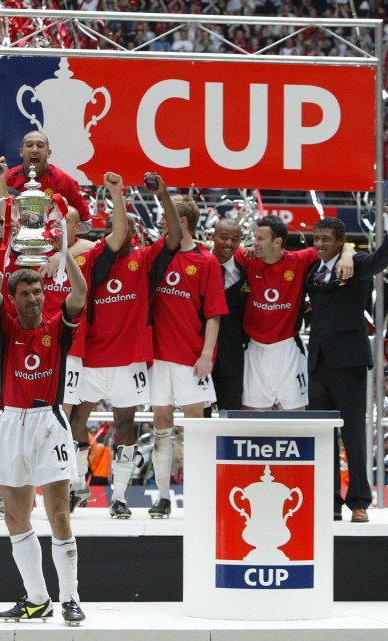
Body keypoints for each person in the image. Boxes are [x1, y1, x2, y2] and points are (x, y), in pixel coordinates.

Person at [0, 243, 88, 625]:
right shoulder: (5, 327)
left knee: (59, 514)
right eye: (25, 293)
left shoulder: (58, 327)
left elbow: (80, 293)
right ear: (13, 299)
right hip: (12, 422)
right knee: (15, 517)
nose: (33, 297)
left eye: (38, 291)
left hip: (49, 422)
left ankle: (71, 598)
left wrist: (64, 252)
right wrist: (5, 242)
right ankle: (37, 598)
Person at [68, 171, 181, 519]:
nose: (121, 233)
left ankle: (118, 496)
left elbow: (175, 237)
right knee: (76, 421)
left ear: (134, 232)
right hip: (89, 359)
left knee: (126, 427)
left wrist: (163, 196)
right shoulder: (93, 259)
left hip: (128, 362)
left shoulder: (145, 260)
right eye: (116, 228)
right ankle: (77, 484)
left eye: (126, 228)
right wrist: (117, 196)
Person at [305, 199, 388, 523]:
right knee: (322, 436)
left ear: (340, 242)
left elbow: (384, 258)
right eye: (316, 238)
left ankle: (359, 501)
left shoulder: (357, 263)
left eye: (325, 239)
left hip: (348, 361)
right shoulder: (312, 271)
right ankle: (329, 501)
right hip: (318, 362)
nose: (319, 244)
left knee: (352, 435)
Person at [148, 195, 226, 518]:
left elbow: (214, 314)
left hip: (191, 358)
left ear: (182, 222)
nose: (162, 223)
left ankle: (198, 494)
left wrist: (207, 354)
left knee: (195, 427)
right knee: (161, 425)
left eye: (167, 218)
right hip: (157, 357)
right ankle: (164, 496)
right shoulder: (156, 255)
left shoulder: (206, 262)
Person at [236, 215, 353, 410]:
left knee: (296, 415)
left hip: (288, 348)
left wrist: (348, 254)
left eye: (260, 238)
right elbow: (214, 249)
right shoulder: (247, 259)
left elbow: (336, 246)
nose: (254, 243)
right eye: (254, 237)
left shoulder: (299, 260)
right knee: (255, 417)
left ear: (278, 241)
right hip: (255, 348)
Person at [4, 131, 93, 233]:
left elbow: (86, 224)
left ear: (49, 153)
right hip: (15, 242)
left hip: (53, 245)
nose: (35, 150)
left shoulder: (64, 181)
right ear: (21, 152)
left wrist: (53, 230)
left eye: (40, 146)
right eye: (29, 145)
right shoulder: (8, 178)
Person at [209, 217, 247, 411]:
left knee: (231, 418)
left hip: (232, 358)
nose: (229, 243)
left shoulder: (245, 270)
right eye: (224, 237)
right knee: (199, 420)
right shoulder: (198, 264)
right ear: (212, 237)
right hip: (199, 357)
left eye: (235, 238)